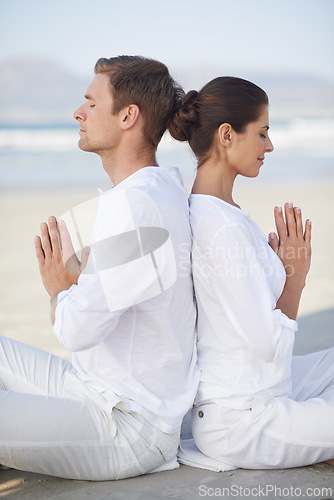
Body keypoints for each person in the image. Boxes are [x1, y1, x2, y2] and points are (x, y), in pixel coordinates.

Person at [0, 56, 199, 480]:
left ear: (128, 116)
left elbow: (74, 331)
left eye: (91, 103)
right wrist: (81, 282)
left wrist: (60, 288)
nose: (78, 112)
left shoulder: (138, 207)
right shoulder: (153, 189)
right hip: (92, 386)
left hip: (127, 428)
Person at [169, 76, 334, 469]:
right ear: (227, 135)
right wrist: (295, 277)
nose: (269, 145)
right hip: (244, 420)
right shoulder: (221, 227)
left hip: (262, 387)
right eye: (262, 133)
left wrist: (279, 269)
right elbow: (271, 346)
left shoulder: (222, 213)